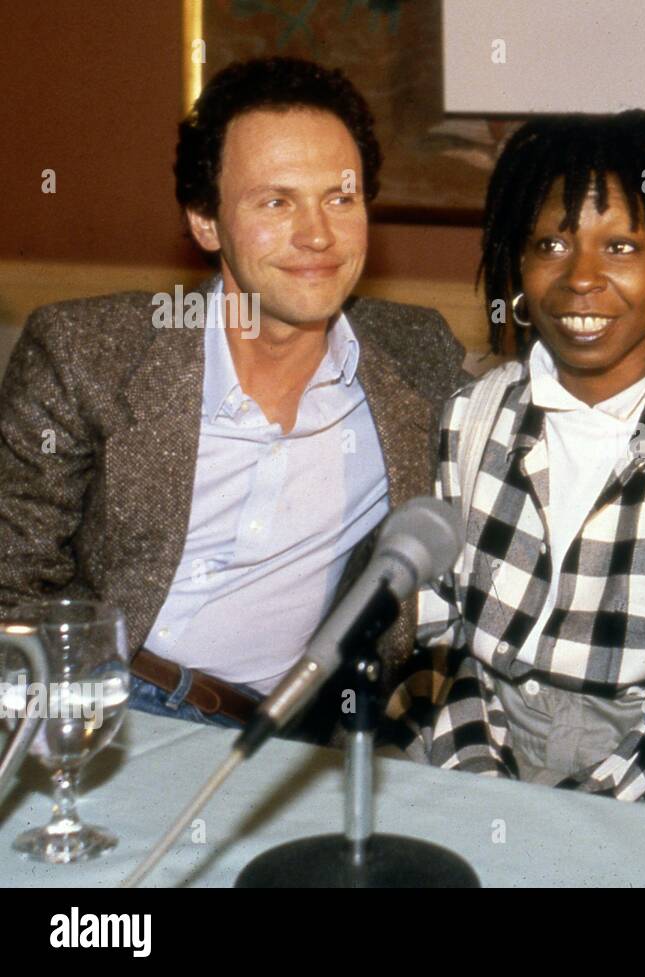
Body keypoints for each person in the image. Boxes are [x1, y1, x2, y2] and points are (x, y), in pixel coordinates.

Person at [0, 57, 467, 732]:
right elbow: (12, 583)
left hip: (295, 743)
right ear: (205, 222)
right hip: (110, 707)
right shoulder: (87, 353)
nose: (317, 233)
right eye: (276, 202)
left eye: (341, 197)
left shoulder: (418, 359)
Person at [396, 111, 645, 803]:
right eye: (551, 243)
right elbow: (438, 642)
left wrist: (575, 825)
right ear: (518, 260)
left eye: (622, 247)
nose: (580, 277)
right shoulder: (470, 417)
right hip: (474, 758)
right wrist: (479, 790)